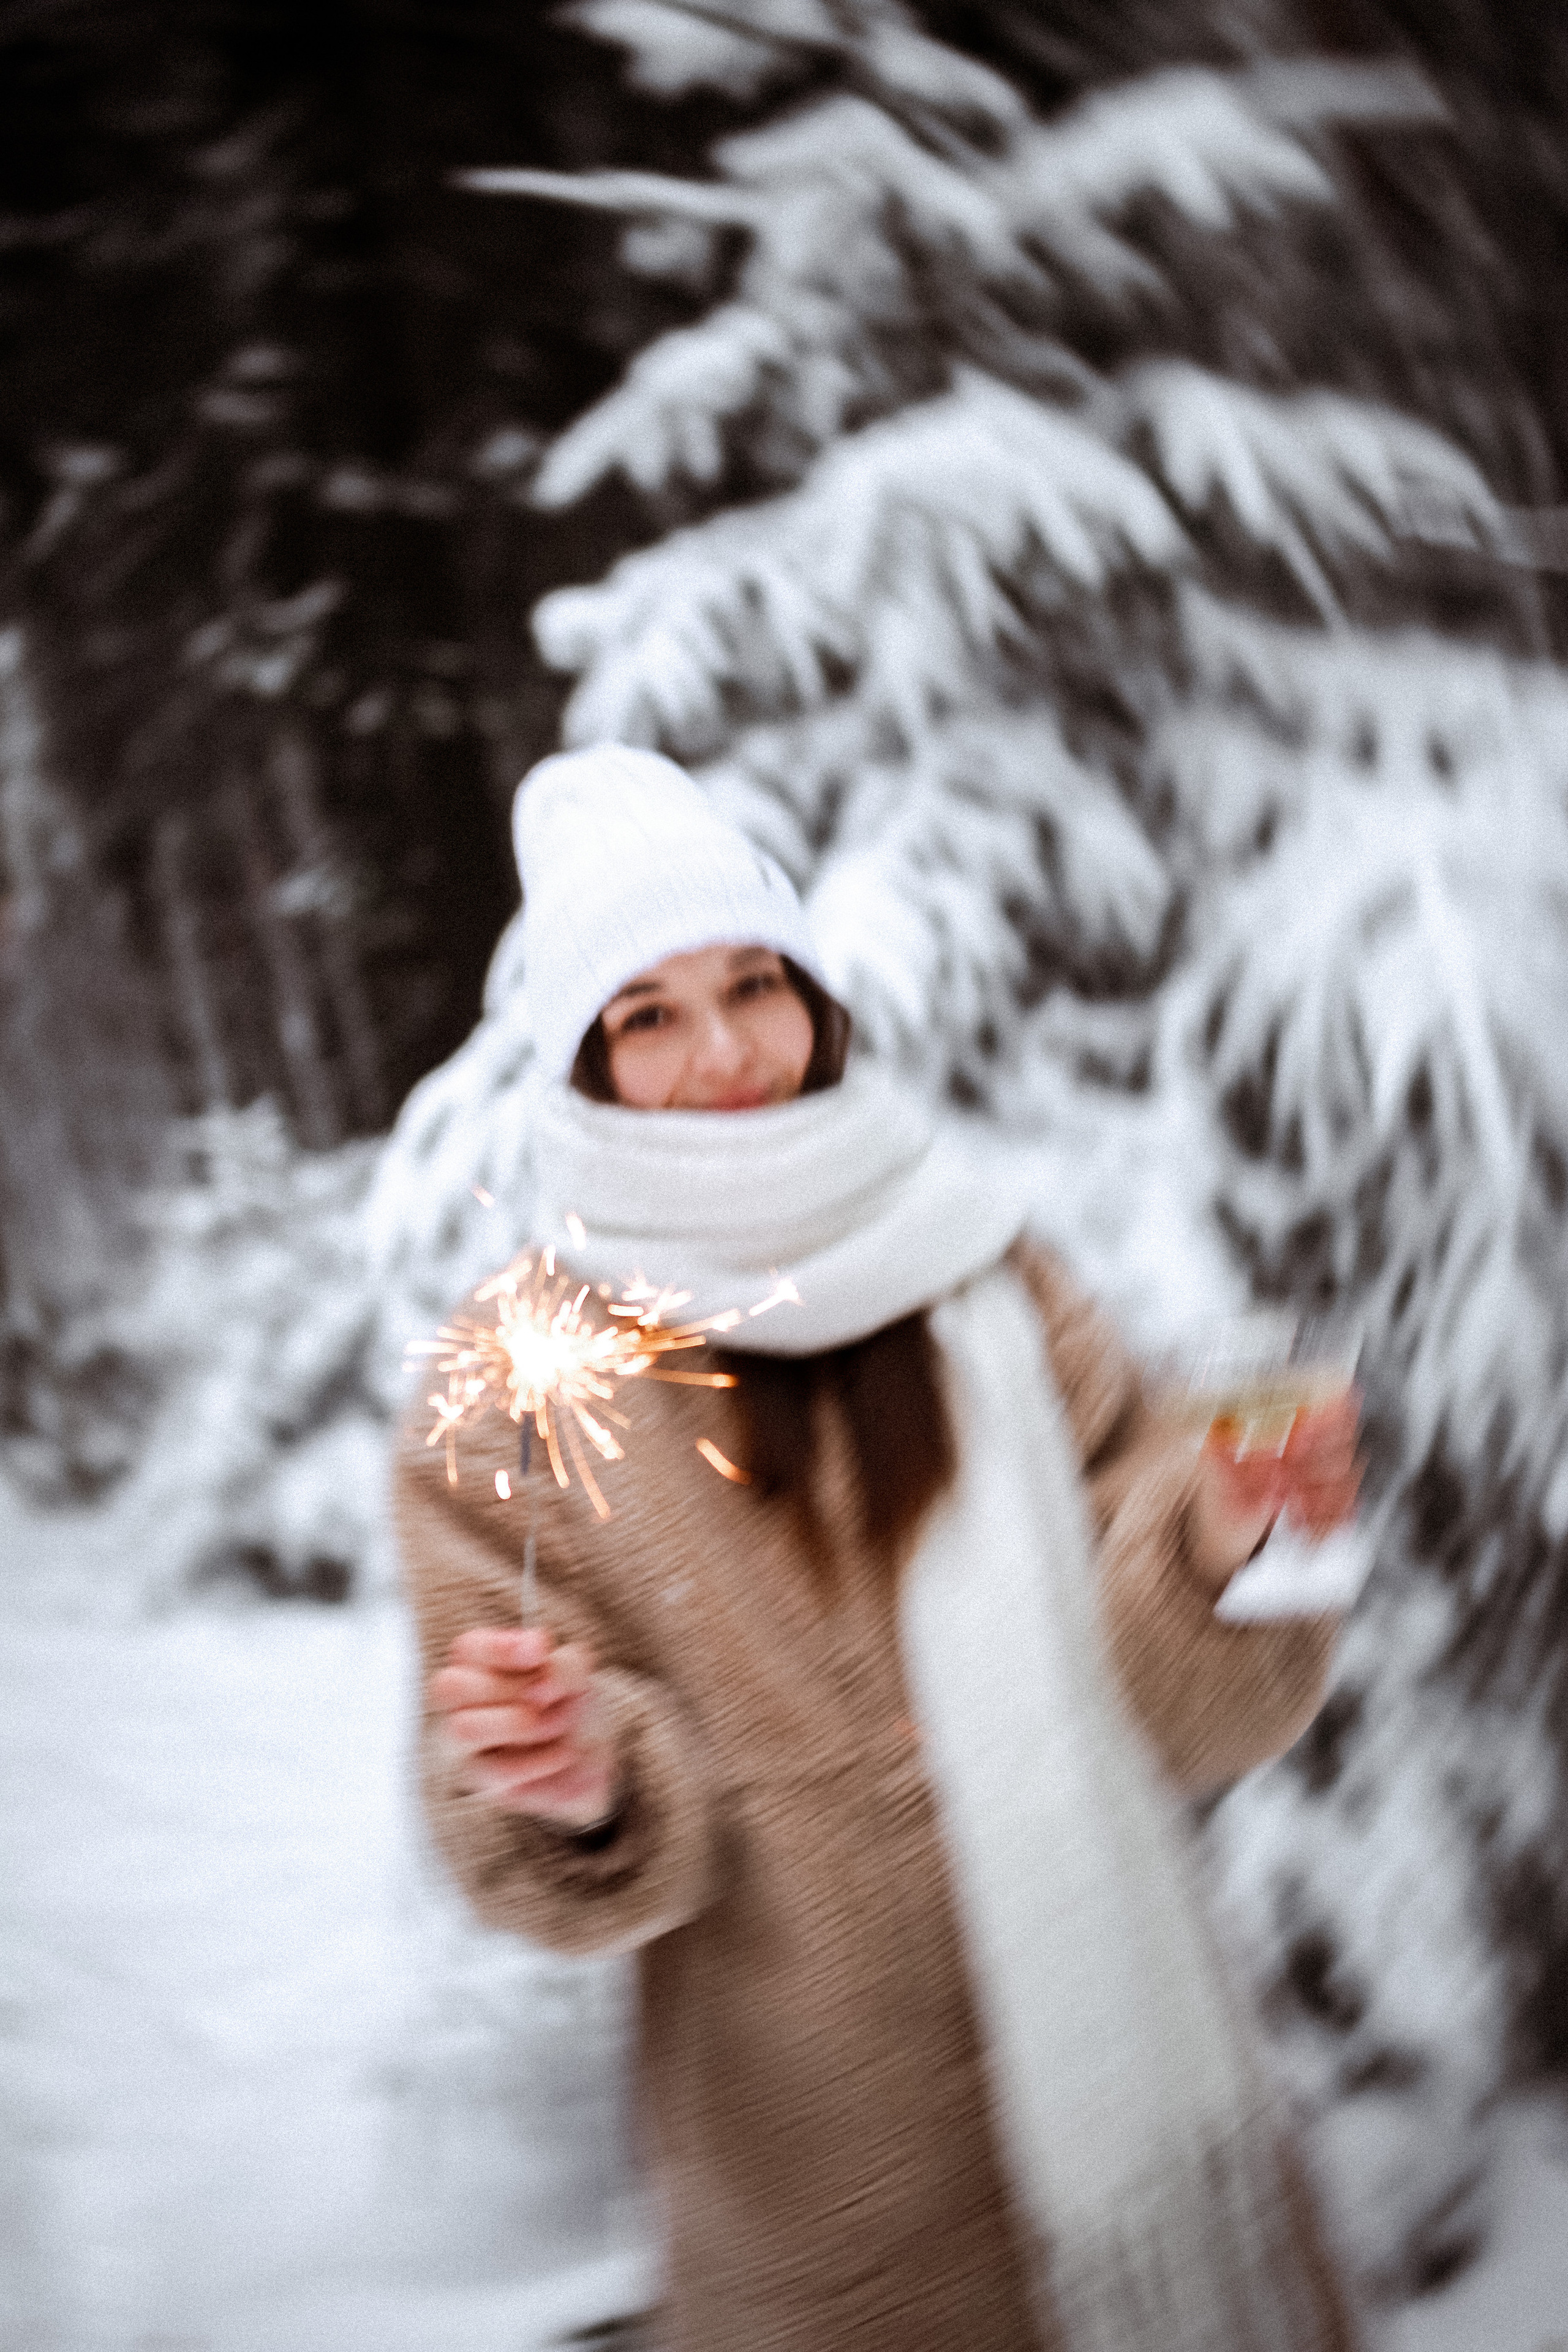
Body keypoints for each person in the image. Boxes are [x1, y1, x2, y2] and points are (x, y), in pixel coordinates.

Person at [395, 744, 1363, 2352]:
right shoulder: (521, 1370)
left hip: (1144, 2101)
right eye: (647, 1016)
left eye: (753, 985)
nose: (723, 1053)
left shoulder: (990, 1267)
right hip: (823, 2177)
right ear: (580, 1065)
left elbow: (1194, 1715)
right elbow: (513, 1779)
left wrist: (1215, 1537)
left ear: (816, 998)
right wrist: (575, 1785)